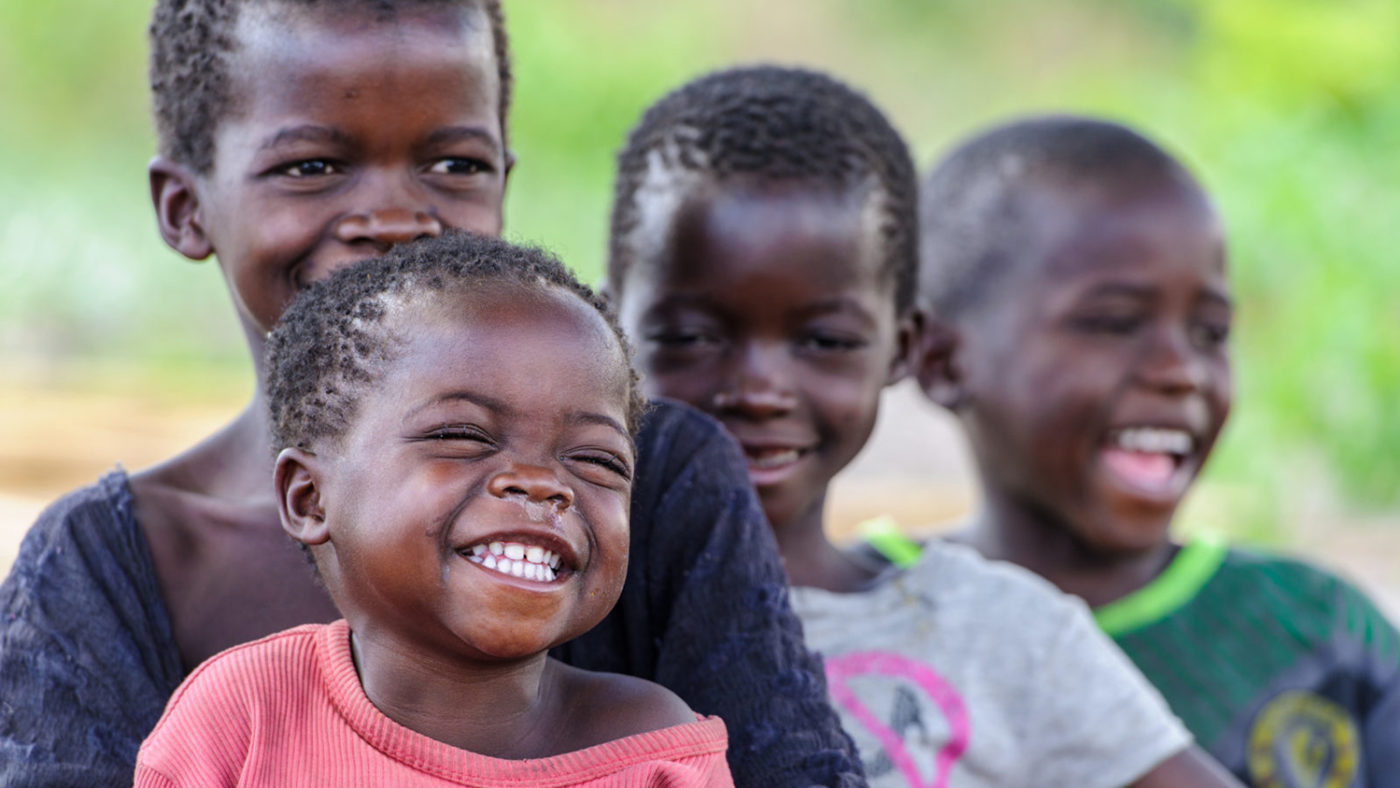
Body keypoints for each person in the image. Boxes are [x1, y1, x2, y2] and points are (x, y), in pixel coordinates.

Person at [0, 3, 861, 785]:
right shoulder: (111, 563)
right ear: (185, 206)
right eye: (311, 166)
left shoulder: (661, 476)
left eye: (454, 162)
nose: (396, 215)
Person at [607, 64, 1239, 787]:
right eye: (690, 336)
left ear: (903, 350)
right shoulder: (553, 611)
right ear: (607, 331)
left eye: (824, 341)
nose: (757, 389)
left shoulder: (997, 633)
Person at [134, 233, 733, 786]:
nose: (543, 484)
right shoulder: (243, 718)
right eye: (463, 435)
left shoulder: (656, 754)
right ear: (309, 497)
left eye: (597, 461)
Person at [913, 114, 1400, 786]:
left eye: (1210, 332)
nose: (1181, 371)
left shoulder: (1319, 634)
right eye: (1114, 323)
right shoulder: (848, 621)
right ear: (940, 360)